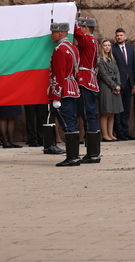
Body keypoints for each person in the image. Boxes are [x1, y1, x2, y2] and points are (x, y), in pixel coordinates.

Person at [47, 22, 82, 166]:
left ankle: (72, 157)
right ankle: (74, 156)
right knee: (71, 122)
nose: (52, 35)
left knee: (67, 124)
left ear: (60, 33)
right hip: (72, 88)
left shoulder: (60, 50)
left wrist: (56, 96)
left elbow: (58, 75)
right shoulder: (72, 47)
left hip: (64, 91)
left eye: (54, 32)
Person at [73, 17, 101, 163]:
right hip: (91, 78)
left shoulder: (87, 40)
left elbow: (77, 35)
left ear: (85, 28)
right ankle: (93, 151)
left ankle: (93, 153)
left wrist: (73, 19)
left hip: (85, 78)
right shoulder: (95, 41)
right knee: (90, 115)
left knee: (87, 114)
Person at [112, 28, 135, 141]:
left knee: (127, 109)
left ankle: (126, 131)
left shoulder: (130, 49)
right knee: (118, 109)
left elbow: (134, 67)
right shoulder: (112, 49)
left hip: (129, 83)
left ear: (125, 37)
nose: (119, 37)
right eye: (117, 35)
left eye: (121, 35)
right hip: (118, 83)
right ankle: (119, 133)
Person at [96, 39, 123, 142]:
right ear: (102, 47)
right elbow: (104, 75)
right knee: (106, 111)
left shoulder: (112, 59)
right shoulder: (100, 60)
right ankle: (105, 135)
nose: (107, 47)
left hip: (115, 86)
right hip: (106, 86)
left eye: (109, 45)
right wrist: (113, 85)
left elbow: (117, 72)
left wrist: (118, 85)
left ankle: (111, 134)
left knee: (112, 112)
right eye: (105, 45)